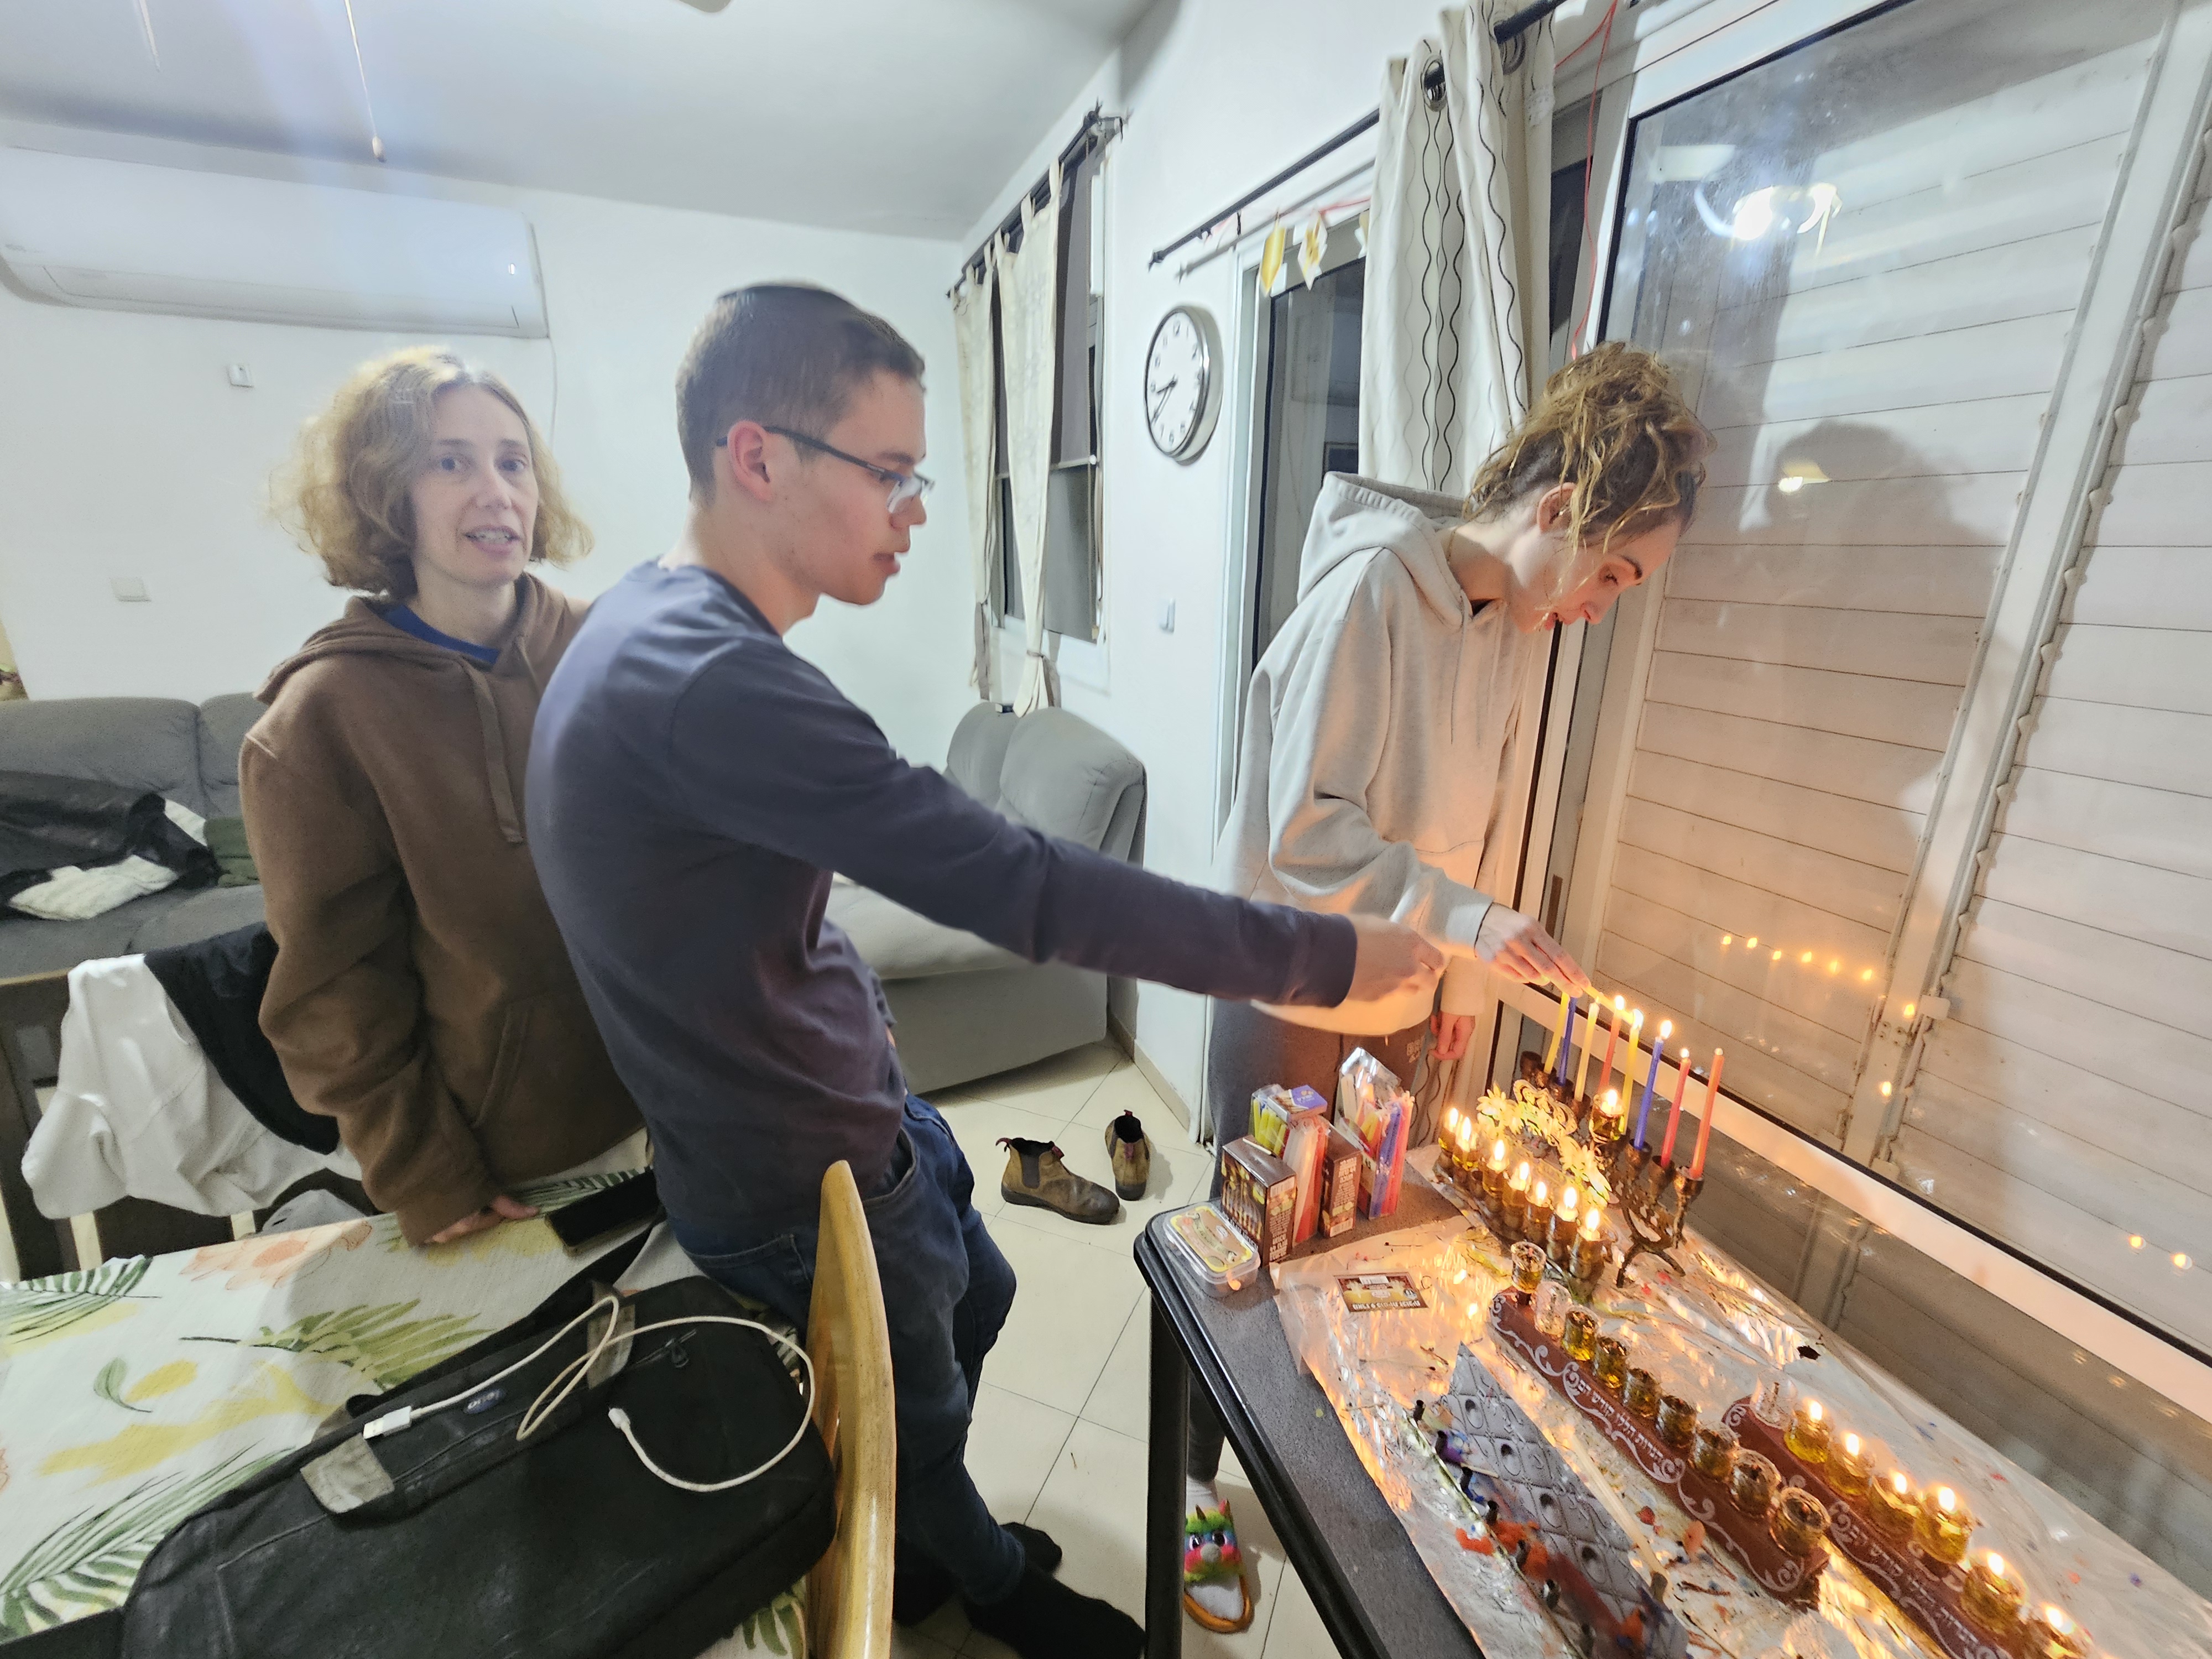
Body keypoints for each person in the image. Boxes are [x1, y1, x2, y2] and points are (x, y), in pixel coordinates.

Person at [524, 283, 1443, 1659]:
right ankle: (988, 1583)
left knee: (983, 1297)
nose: (914, 511)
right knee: (910, 1411)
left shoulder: (653, 623)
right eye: (887, 472)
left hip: (842, 1106)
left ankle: (928, 1533)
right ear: (756, 456)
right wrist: (1328, 953)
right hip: (793, 1167)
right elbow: (1025, 885)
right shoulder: (708, 679)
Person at [1183, 342, 1709, 1632]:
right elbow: (1304, 832)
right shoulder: (1371, 593)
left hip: (1399, 993)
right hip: (1289, 983)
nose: (1602, 608)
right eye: (1611, 573)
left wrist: (1462, 972)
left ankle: (1310, 1465)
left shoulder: (1509, 628)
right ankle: (1193, 1489)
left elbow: (1472, 824)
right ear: (1557, 510)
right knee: (1248, 1251)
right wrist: (1468, 922)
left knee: (1346, 1249)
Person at [246, 347, 643, 1246]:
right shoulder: (319, 722)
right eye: (450, 462)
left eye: (513, 462)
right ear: (386, 493)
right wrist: (426, 1173)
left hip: (686, 1109)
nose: (495, 492)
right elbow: (335, 990)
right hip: (503, 1168)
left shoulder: (619, 648)